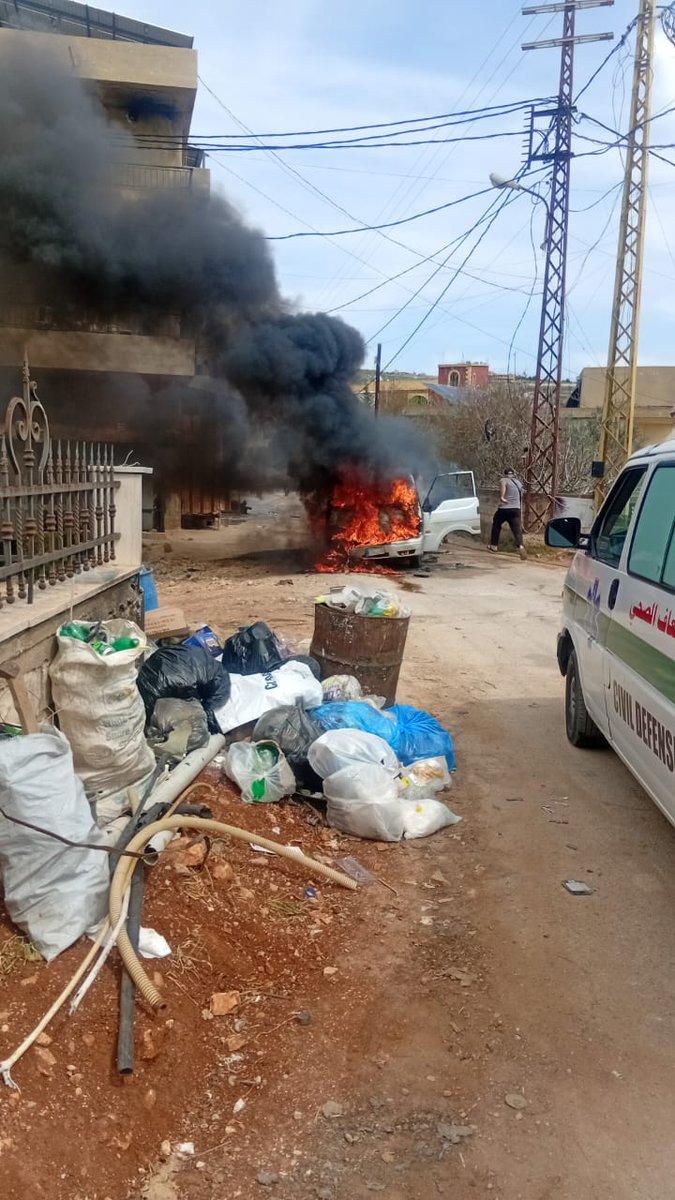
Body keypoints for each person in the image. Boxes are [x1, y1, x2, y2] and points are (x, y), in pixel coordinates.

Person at [489, 468, 527, 560]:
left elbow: (502, 492)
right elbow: (522, 494)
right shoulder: (518, 482)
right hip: (516, 509)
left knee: (496, 524)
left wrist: (502, 498)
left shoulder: (503, 480)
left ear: (505, 474)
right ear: (513, 474)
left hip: (505, 508)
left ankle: (494, 546)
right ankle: (521, 546)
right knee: (517, 529)